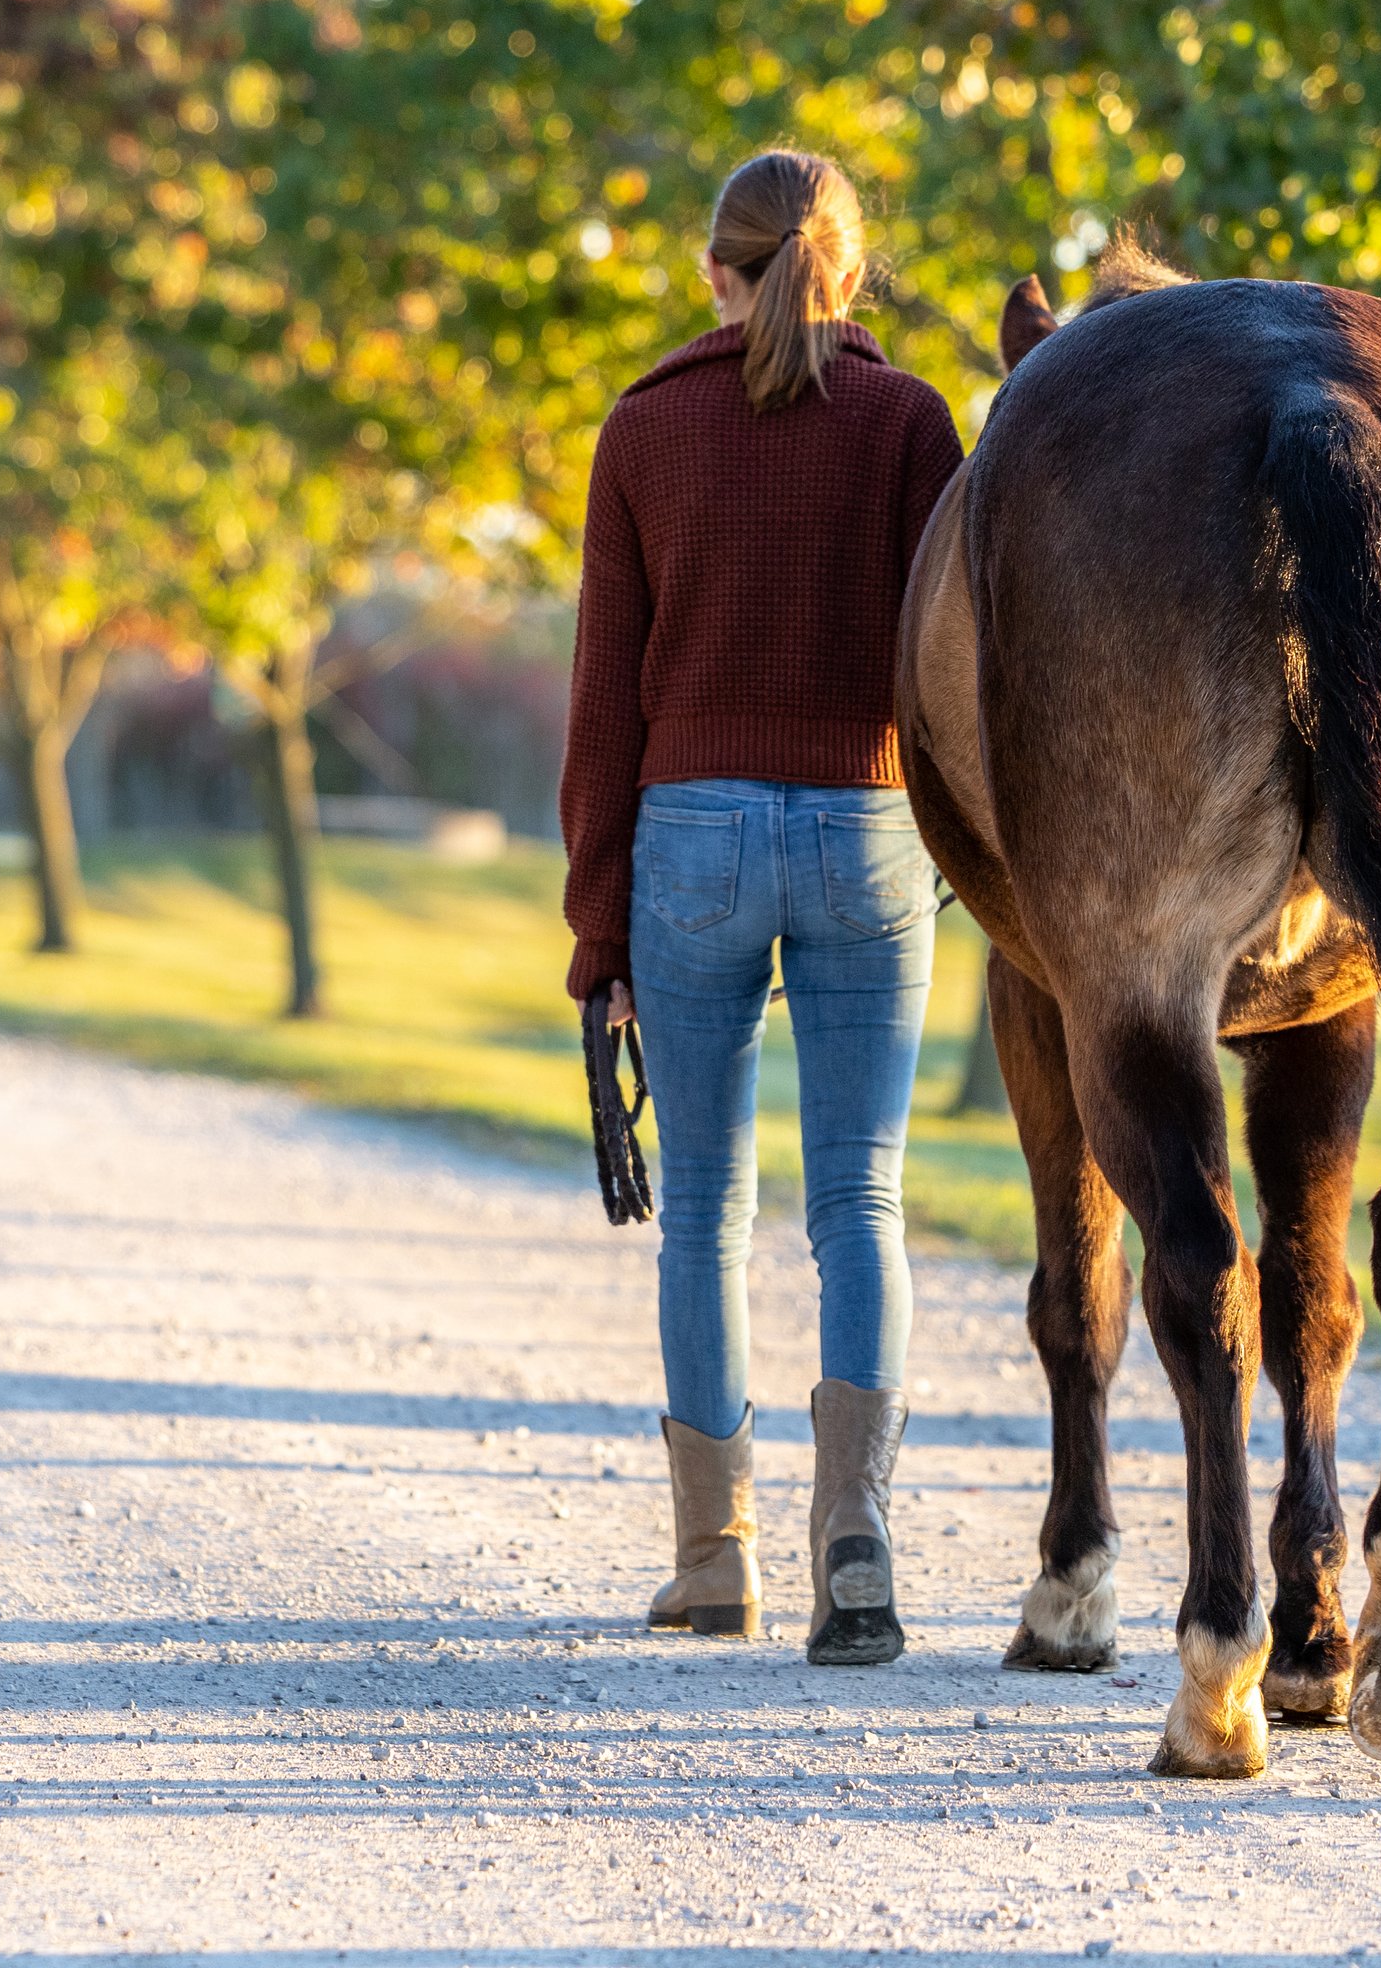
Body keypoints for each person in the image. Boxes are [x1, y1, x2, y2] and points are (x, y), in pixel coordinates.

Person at [559, 149, 964, 1664]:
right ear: (848, 269)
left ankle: (711, 1557)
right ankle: (852, 1538)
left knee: (707, 1220)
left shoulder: (644, 429)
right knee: (859, 1203)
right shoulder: (914, 426)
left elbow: (605, 704)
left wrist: (598, 927)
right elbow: (949, 669)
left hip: (693, 841)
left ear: (714, 271)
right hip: (870, 831)